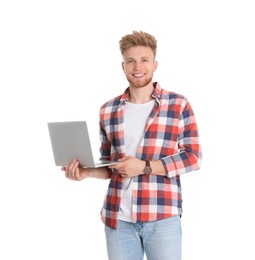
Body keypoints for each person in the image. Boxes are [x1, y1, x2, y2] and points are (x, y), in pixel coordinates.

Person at [61, 30, 202, 260]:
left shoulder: (178, 104)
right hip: (118, 220)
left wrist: (145, 166)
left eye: (144, 60)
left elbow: (193, 157)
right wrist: (85, 172)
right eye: (131, 61)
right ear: (123, 66)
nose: (138, 66)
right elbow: (110, 166)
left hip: (162, 217)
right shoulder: (108, 110)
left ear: (155, 64)